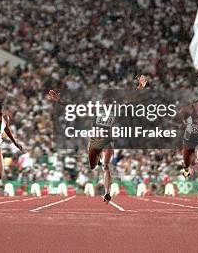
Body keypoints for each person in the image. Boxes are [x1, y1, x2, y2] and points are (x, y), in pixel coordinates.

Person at [47, 75, 148, 203]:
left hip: (107, 139)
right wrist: (59, 100)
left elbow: (131, 99)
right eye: (106, 102)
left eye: (109, 102)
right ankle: (98, 160)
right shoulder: (97, 109)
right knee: (93, 165)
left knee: (106, 167)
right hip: (95, 139)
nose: (107, 104)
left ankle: (107, 193)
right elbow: (74, 106)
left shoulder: (116, 109)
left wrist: (140, 87)